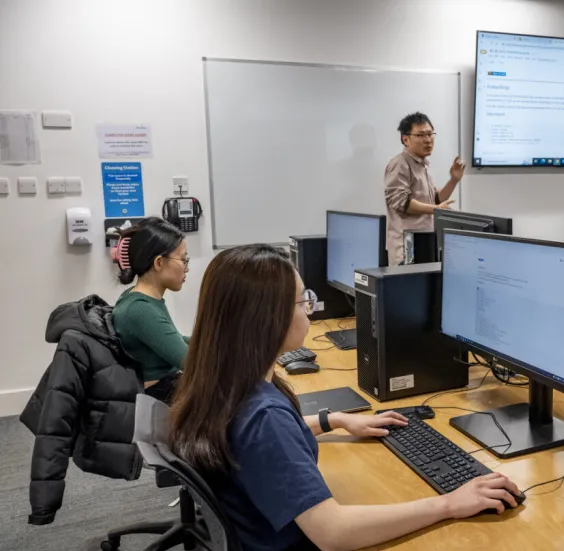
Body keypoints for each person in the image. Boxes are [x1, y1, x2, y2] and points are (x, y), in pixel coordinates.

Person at [168, 244, 522, 551]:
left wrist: (332, 420)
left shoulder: (225, 380)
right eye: (303, 300)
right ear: (267, 319)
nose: (311, 309)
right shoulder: (263, 416)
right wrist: (447, 504)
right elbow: (333, 533)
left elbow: (259, 441)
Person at [112, 217, 191, 404]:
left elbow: (175, 339)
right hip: (160, 398)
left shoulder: (139, 299)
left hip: (166, 389)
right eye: (183, 260)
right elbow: (190, 362)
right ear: (159, 263)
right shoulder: (140, 309)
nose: (186, 269)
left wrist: (215, 341)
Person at [384, 112, 466, 265]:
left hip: (425, 244)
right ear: (405, 139)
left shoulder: (422, 165)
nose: (428, 140)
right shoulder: (399, 164)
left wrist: (454, 180)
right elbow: (402, 202)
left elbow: (435, 200)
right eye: (421, 135)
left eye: (430, 134)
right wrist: (437, 210)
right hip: (407, 249)